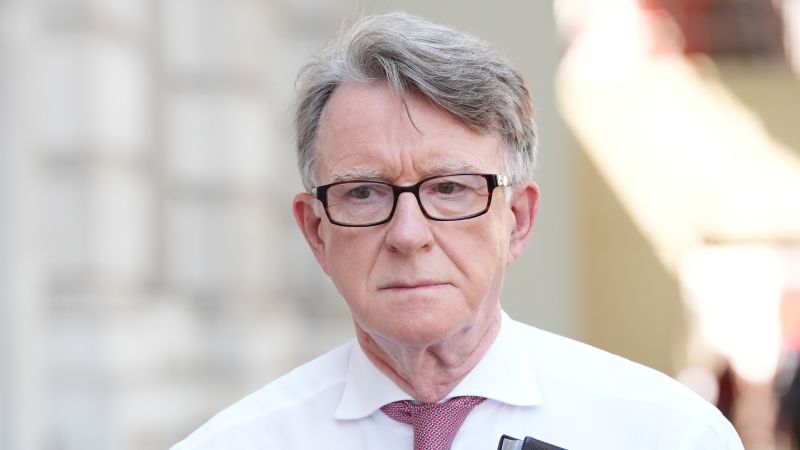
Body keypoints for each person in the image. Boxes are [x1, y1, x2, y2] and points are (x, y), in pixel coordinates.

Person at [171, 12, 744, 450]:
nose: (408, 234)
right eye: (364, 192)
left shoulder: (666, 434)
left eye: (449, 188)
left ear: (517, 219)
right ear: (315, 232)